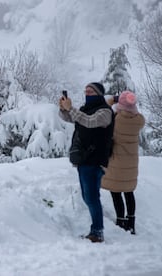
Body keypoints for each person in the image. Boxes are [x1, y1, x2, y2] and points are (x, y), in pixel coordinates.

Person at [59, 82, 114, 243]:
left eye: (90, 91)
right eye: (86, 91)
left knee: (91, 197)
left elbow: (89, 122)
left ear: (98, 93)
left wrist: (71, 109)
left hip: (95, 160)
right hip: (84, 159)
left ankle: (97, 232)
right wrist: (63, 108)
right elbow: (72, 118)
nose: (87, 93)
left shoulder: (105, 111)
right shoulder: (85, 109)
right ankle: (96, 230)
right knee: (88, 197)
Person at [101, 91, 145, 235]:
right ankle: (131, 223)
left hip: (116, 161)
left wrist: (113, 100)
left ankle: (120, 221)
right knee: (128, 191)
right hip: (131, 162)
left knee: (116, 191)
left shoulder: (116, 119)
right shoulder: (139, 120)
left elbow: (105, 108)